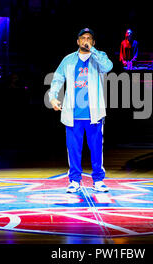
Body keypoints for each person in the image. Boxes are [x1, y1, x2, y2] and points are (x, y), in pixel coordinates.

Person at [49, 28, 113, 193]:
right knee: (73, 149)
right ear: (77, 41)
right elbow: (57, 78)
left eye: (89, 38)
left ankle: (98, 180)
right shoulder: (68, 60)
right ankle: (74, 180)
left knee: (97, 148)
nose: (85, 40)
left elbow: (108, 67)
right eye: (83, 38)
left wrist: (93, 51)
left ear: (93, 42)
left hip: (94, 114)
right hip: (73, 114)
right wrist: (53, 97)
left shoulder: (98, 58)